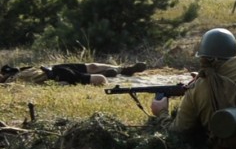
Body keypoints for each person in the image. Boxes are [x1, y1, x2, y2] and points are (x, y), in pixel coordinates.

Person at [1, 62, 147, 86]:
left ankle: (124, 69)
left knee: (93, 66)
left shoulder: (8, 71)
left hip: (52, 68)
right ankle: (109, 75)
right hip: (55, 77)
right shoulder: (10, 84)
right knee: (101, 78)